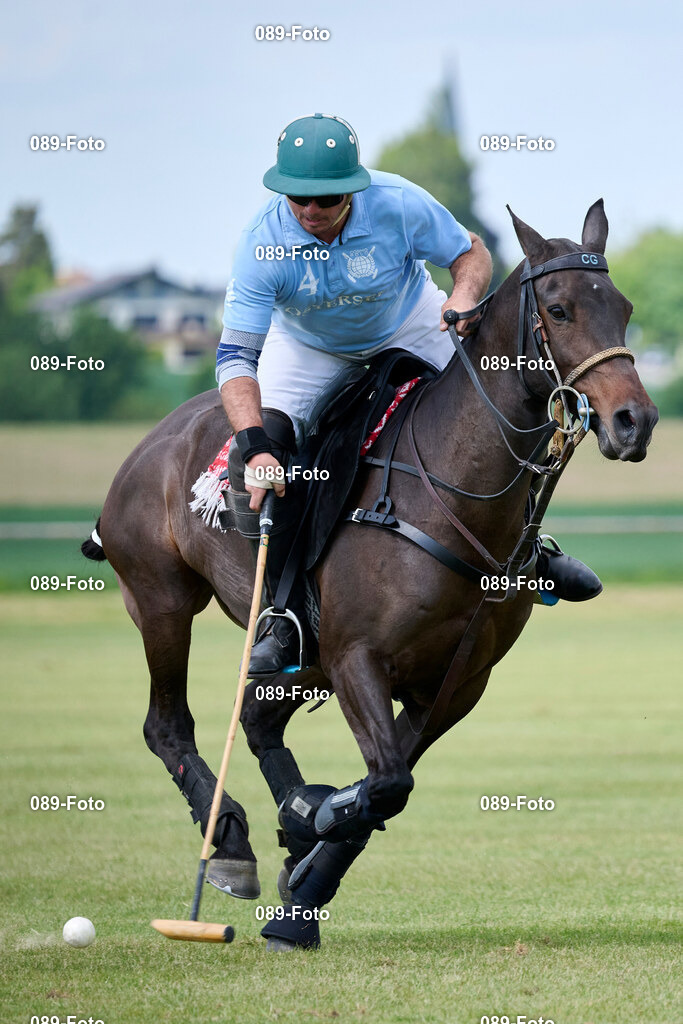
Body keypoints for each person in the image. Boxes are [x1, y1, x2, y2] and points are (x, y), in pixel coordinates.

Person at [216, 113, 601, 676]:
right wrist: (255, 445)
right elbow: (235, 359)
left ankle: (533, 549)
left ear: (353, 187)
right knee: (259, 467)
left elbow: (469, 252)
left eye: (324, 199)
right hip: (307, 346)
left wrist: (463, 297)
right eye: (297, 197)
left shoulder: (397, 202)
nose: (309, 211)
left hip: (408, 320)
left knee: (501, 403)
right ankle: (285, 615)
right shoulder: (262, 244)